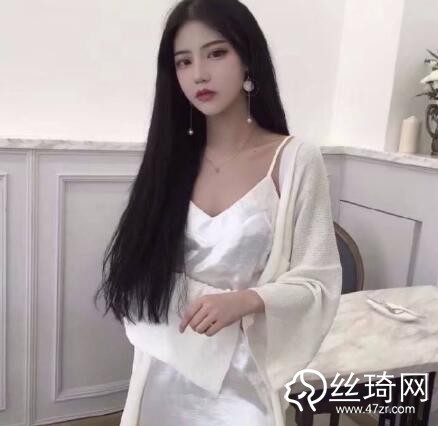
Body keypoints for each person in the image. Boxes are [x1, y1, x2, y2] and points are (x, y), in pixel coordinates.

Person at [94, 0, 343, 425]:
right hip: (165, 374)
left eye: (216, 53)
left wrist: (246, 300)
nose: (199, 74)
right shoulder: (169, 160)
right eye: (184, 61)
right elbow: (137, 270)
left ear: (248, 59)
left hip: (244, 383)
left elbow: (318, 281)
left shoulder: (295, 160)